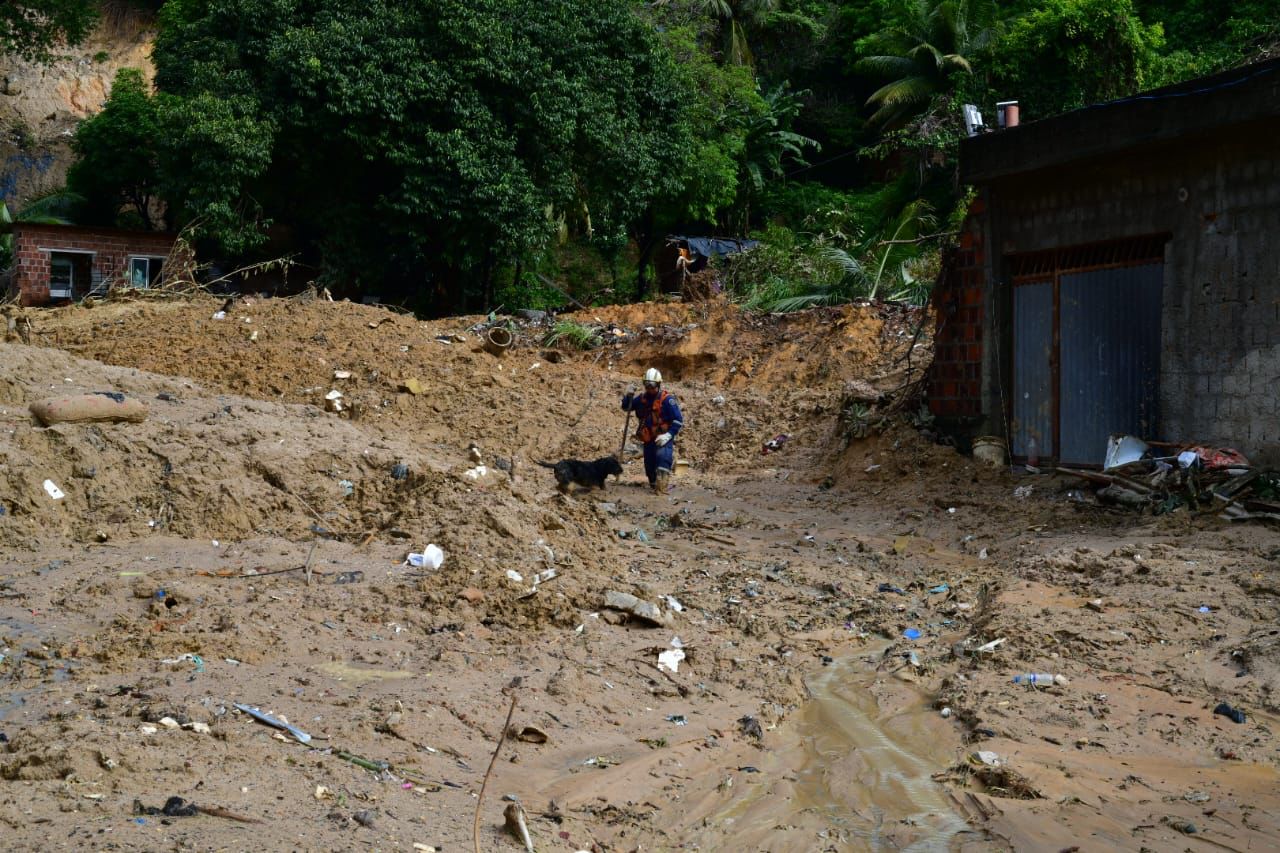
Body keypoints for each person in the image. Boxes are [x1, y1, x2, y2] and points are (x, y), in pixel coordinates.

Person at [622, 368, 684, 494]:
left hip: (663, 437)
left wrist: (668, 435)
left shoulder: (667, 400)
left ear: (659, 384)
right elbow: (626, 407)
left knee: (663, 458)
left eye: (652, 385)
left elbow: (678, 420)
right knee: (650, 467)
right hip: (648, 438)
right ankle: (654, 485)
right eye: (646, 385)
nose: (649, 388)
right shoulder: (642, 398)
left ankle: (662, 489)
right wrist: (628, 395)